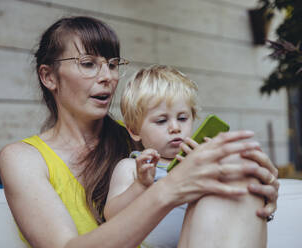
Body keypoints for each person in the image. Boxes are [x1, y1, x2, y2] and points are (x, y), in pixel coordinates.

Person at [0, 16, 279, 248]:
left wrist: (258, 187)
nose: (108, 76)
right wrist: (171, 188)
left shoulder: (149, 140)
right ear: (48, 77)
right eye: (88, 64)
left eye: (112, 64)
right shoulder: (22, 158)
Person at [105, 65, 272, 247]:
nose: (175, 127)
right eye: (162, 120)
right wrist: (140, 186)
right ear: (134, 130)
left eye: (183, 118)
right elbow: (112, 216)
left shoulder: (201, 160)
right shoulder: (132, 167)